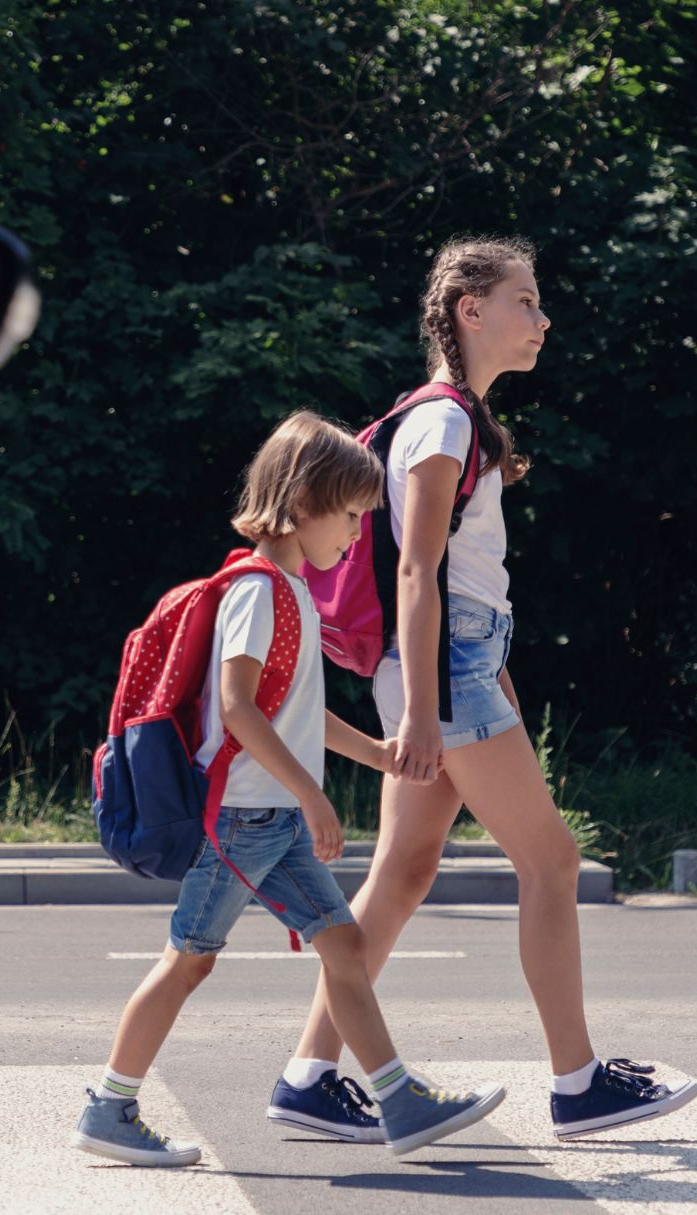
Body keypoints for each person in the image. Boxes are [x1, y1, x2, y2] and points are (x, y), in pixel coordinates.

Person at [272, 238, 697, 1143]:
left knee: (402, 871)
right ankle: (578, 1083)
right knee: (550, 865)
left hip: (455, 664)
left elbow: (457, 582)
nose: (541, 320)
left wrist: (476, 680)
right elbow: (417, 575)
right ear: (470, 310)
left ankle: (308, 1075)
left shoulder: (453, 422)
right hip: (441, 669)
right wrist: (430, 710)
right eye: (524, 301)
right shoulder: (443, 425)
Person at [74, 411, 507, 1167]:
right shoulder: (256, 589)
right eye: (347, 518)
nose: (352, 538)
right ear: (301, 503)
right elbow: (239, 707)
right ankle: (110, 1106)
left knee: (343, 944)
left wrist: (375, 753)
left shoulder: (292, 593)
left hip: (265, 818)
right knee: (189, 961)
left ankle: (397, 1100)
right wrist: (312, 796)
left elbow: (295, 711)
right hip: (243, 819)